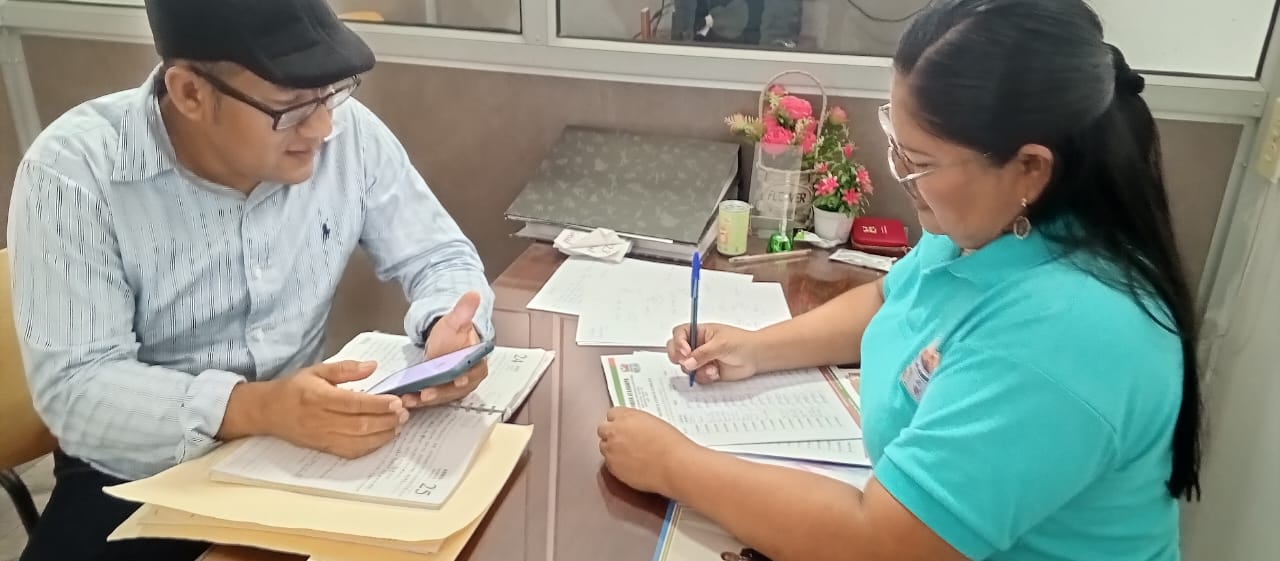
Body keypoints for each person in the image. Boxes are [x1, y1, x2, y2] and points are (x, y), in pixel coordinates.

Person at [597, 0, 1203, 560]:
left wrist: (675, 466)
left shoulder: (1066, 333)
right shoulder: (989, 226)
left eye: (920, 163)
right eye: (898, 147)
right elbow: (893, 298)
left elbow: (883, 542)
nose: (902, 177)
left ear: (1029, 168)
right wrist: (756, 349)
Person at [9, 1, 494, 560]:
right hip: (138, 471)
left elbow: (440, 256)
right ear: (190, 93)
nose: (322, 126)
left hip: (301, 449)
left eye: (330, 93)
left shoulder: (349, 136)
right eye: (289, 108)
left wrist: (448, 329)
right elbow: (77, 390)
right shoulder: (74, 171)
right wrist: (257, 408)